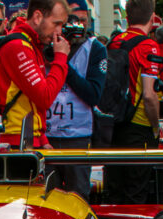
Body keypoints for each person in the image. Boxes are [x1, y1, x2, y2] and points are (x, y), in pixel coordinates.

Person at [45, 9, 107, 197]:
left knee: (78, 196)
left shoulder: (95, 48)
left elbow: (94, 94)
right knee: (46, 197)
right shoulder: (44, 45)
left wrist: (61, 62)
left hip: (77, 136)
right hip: (46, 136)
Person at [0, 0, 70, 149]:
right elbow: (44, 97)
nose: (59, 31)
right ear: (37, 17)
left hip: (26, 138)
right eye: (56, 23)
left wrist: (42, 138)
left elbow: (31, 100)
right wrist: (60, 57)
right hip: (15, 142)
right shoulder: (18, 46)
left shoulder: (31, 43)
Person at [106, 0, 160, 204]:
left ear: (127, 17)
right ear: (153, 19)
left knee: (114, 191)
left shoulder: (114, 42)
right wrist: (155, 127)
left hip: (113, 124)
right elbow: (149, 95)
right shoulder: (148, 46)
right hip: (139, 128)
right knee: (136, 191)